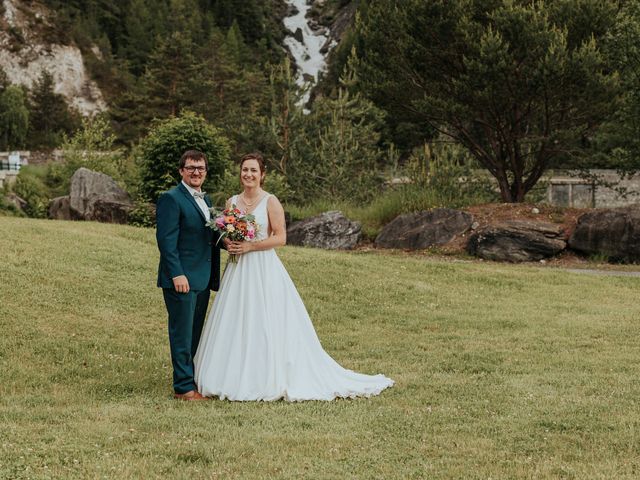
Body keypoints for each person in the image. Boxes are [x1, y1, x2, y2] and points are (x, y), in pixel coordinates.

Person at [194, 153, 394, 401]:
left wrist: (251, 247)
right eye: (245, 170)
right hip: (238, 269)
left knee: (265, 318)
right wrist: (229, 242)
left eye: (253, 170)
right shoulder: (232, 201)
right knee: (236, 316)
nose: (248, 174)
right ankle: (229, 372)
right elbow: (225, 232)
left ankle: (267, 373)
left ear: (262, 174)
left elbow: (281, 238)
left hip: (262, 267)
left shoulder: (270, 201)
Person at [156, 150, 222, 401]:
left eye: (201, 168)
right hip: (182, 279)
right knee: (181, 333)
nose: (196, 172)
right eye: (191, 168)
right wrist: (177, 275)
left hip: (202, 278)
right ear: (181, 170)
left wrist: (238, 240)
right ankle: (183, 388)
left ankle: (191, 380)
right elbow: (166, 241)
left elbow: (212, 236)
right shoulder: (171, 199)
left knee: (194, 332)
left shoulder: (206, 200)